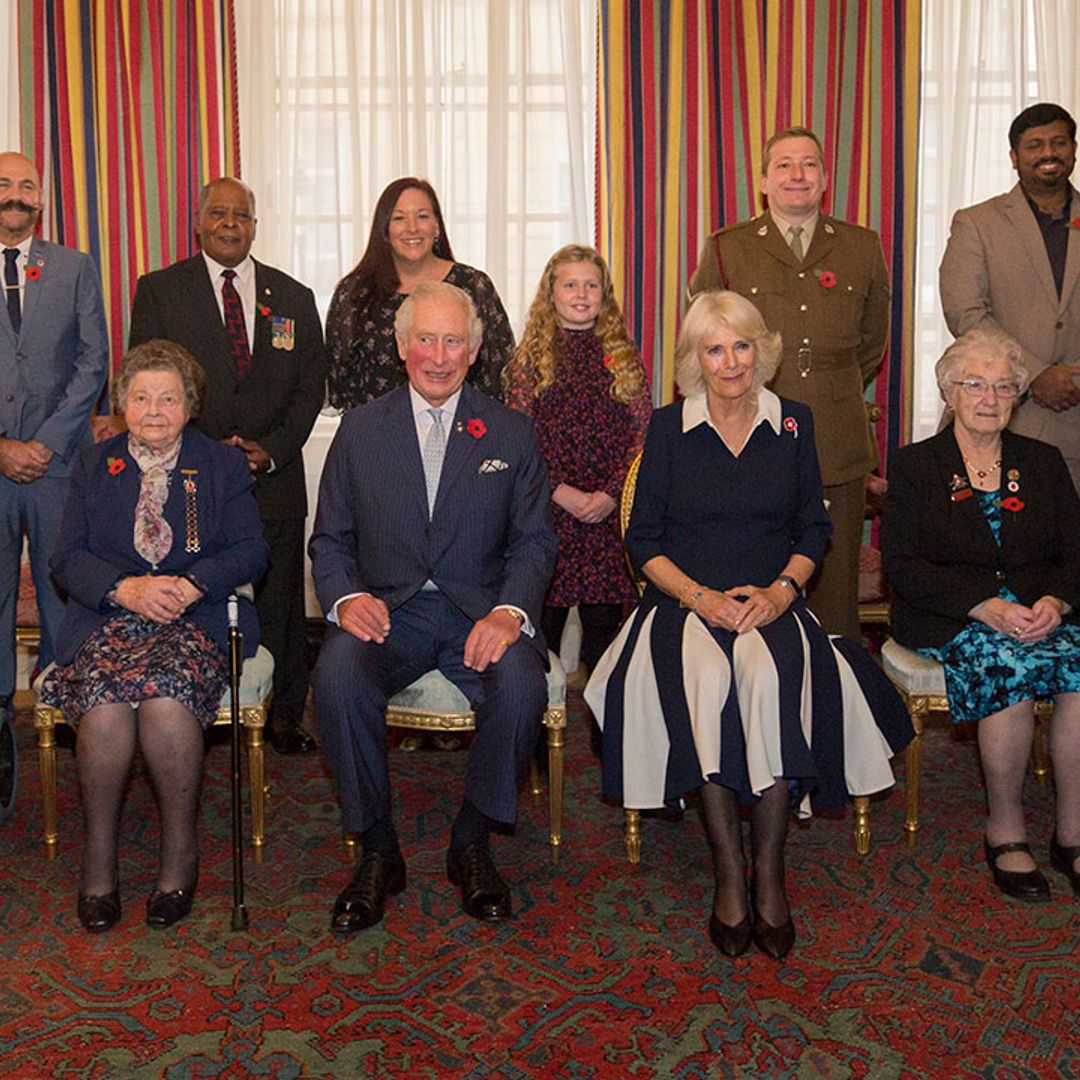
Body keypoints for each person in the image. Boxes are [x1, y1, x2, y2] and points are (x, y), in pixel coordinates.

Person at [585, 291, 912, 960]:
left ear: (761, 351)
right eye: (714, 348)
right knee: (706, 681)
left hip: (771, 601)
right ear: (695, 360)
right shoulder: (669, 427)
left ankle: (771, 871)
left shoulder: (794, 423)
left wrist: (783, 592)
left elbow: (813, 528)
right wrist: (700, 598)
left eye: (741, 346)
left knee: (766, 678)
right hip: (685, 604)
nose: (730, 361)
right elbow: (643, 539)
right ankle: (729, 873)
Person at [310, 281, 556, 935]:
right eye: (426, 339)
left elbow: (534, 541)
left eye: (454, 341)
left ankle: (470, 841)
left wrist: (510, 613)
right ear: (401, 346)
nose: (439, 355)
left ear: (475, 350)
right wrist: (345, 596)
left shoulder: (510, 431)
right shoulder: (361, 430)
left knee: (524, 684)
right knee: (334, 676)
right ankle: (378, 847)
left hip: (479, 610)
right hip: (389, 611)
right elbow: (329, 539)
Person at [43, 340, 268, 932]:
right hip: (110, 619)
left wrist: (192, 584)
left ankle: (178, 857)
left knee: (167, 704)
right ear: (122, 405)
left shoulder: (219, 464)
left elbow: (252, 550)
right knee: (105, 708)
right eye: (140, 397)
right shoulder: (95, 465)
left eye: (168, 398)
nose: (153, 410)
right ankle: (99, 864)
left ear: (189, 405)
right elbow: (66, 558)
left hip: (191, 619)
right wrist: (124, 589)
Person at [129, 177, 326, 756]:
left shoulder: (293, 297)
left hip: (275, 476)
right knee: (196, 591)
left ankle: (287, 715)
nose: (230, 223)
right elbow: (149, 379)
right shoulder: (162, 291)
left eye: (242, 214)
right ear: (199, 223)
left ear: (255, 224)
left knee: (282, 597)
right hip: (189, 476)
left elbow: (310, 387)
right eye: (219, 213)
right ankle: (195, 702)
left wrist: (272, 448)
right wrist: (208, 453)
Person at [882, 327, 1080, 902]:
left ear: (1017, 396)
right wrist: (982, 605)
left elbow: (1075, 551)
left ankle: (1071, 832)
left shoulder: (1042, 463)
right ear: (948, 392)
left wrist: (1057, 601)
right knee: (1007, 666)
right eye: (975, 384)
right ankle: (1006, 829)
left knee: (1078, 669)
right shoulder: (918, 466)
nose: (989, 398)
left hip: (1039, 614)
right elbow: (903, 564)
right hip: (950, 617)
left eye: (1003, 386)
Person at [687, 127, 891, 641]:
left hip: (835, 435)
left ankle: (832, 695)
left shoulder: (861, 247)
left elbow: (871, 342)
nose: (796, 175)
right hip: (750, 431)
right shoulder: (729, 248)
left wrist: (830, 380)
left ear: (824, 178)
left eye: (808, 165)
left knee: (834, 579)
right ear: (763, 180)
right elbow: (704, 332)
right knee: (753, 568)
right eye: (784, 165)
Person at [504, 244, 650, 749]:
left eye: (591, 285)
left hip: (607, 524)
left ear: (603, 296)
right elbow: (519, 441)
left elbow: (642, 435)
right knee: (538, 635)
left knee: (605, 637)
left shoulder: (623, 358)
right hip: (549, 518)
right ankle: (536, 746)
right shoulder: (530, 360)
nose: (581, 294)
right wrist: (563, 493)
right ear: (552, 292)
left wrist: (609, 494)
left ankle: (611, 744)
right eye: (570, 285)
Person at [0, 151, 108, 727]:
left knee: (60, 595)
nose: (15, 194)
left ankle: (62, 710)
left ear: (41, 200)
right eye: (4, 184)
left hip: (58, 466)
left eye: (27, 185)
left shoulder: (73, 267)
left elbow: (95, 363)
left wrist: (43, 442)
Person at [940, 102, 1080, 493]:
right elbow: (965, 312)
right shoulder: (977, 222)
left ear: (1073, 149)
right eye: (1034, 145)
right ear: (1014, 158)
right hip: (1002, 418)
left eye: (1058, 142)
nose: (1048, 153)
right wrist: (1033, 373)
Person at [325, 177, 514, 410]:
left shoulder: (474, 286)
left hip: (466, 434)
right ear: (384, 229)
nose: (412, 227)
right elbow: (340, 382)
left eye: (422, 216)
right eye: (399, 218)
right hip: (378, 437)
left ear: (437, 227)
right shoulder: (354, 294)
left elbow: (502, 373)